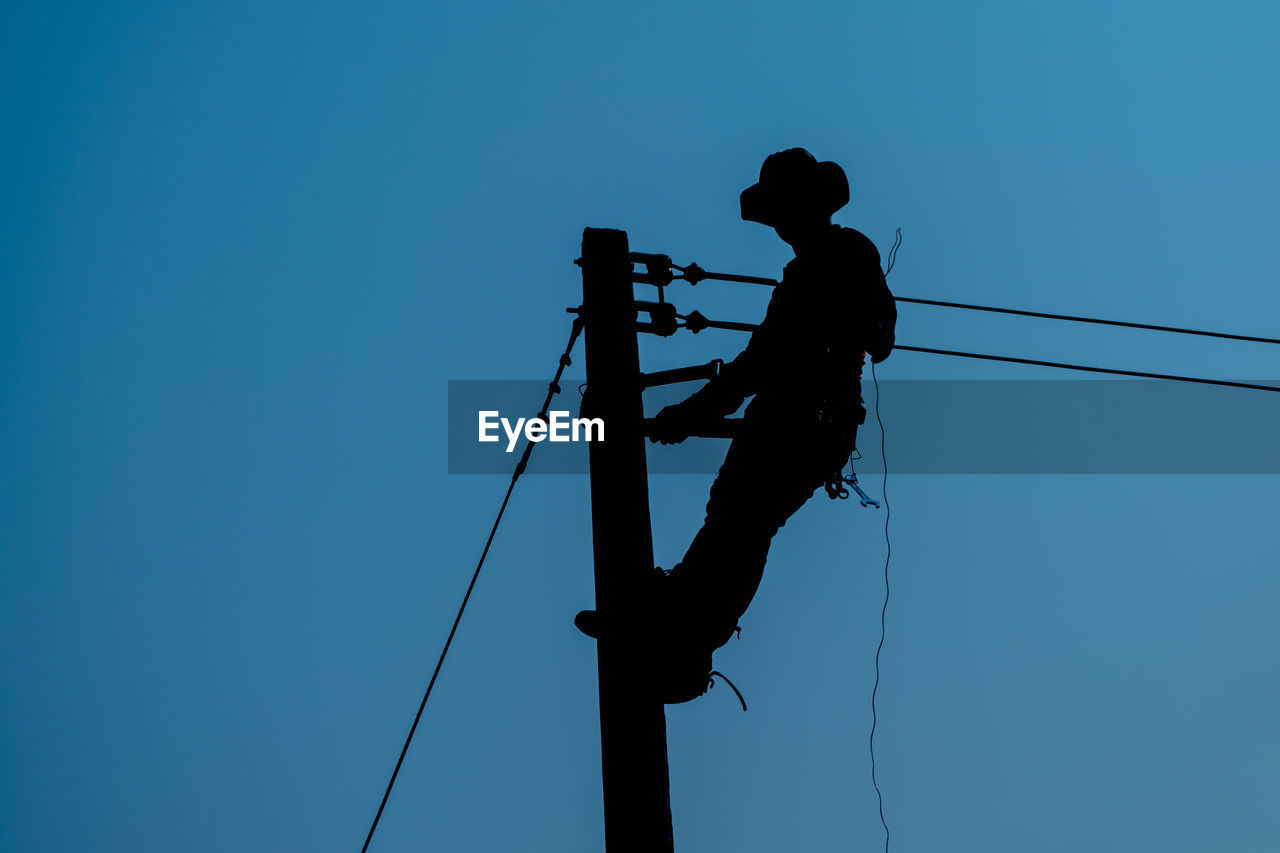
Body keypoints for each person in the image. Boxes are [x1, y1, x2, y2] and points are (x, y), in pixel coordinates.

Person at [578, 148, 896, 703]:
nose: (780, 225)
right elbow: (865, 340)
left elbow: (762, 364)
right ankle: (680, 623)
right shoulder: (826, 264)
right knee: (738, 517)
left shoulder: (830, 262)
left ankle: (685, 637)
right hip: (810, 422)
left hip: (802, 419)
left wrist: (690, 413)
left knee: (740, 518)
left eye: (784, 211)